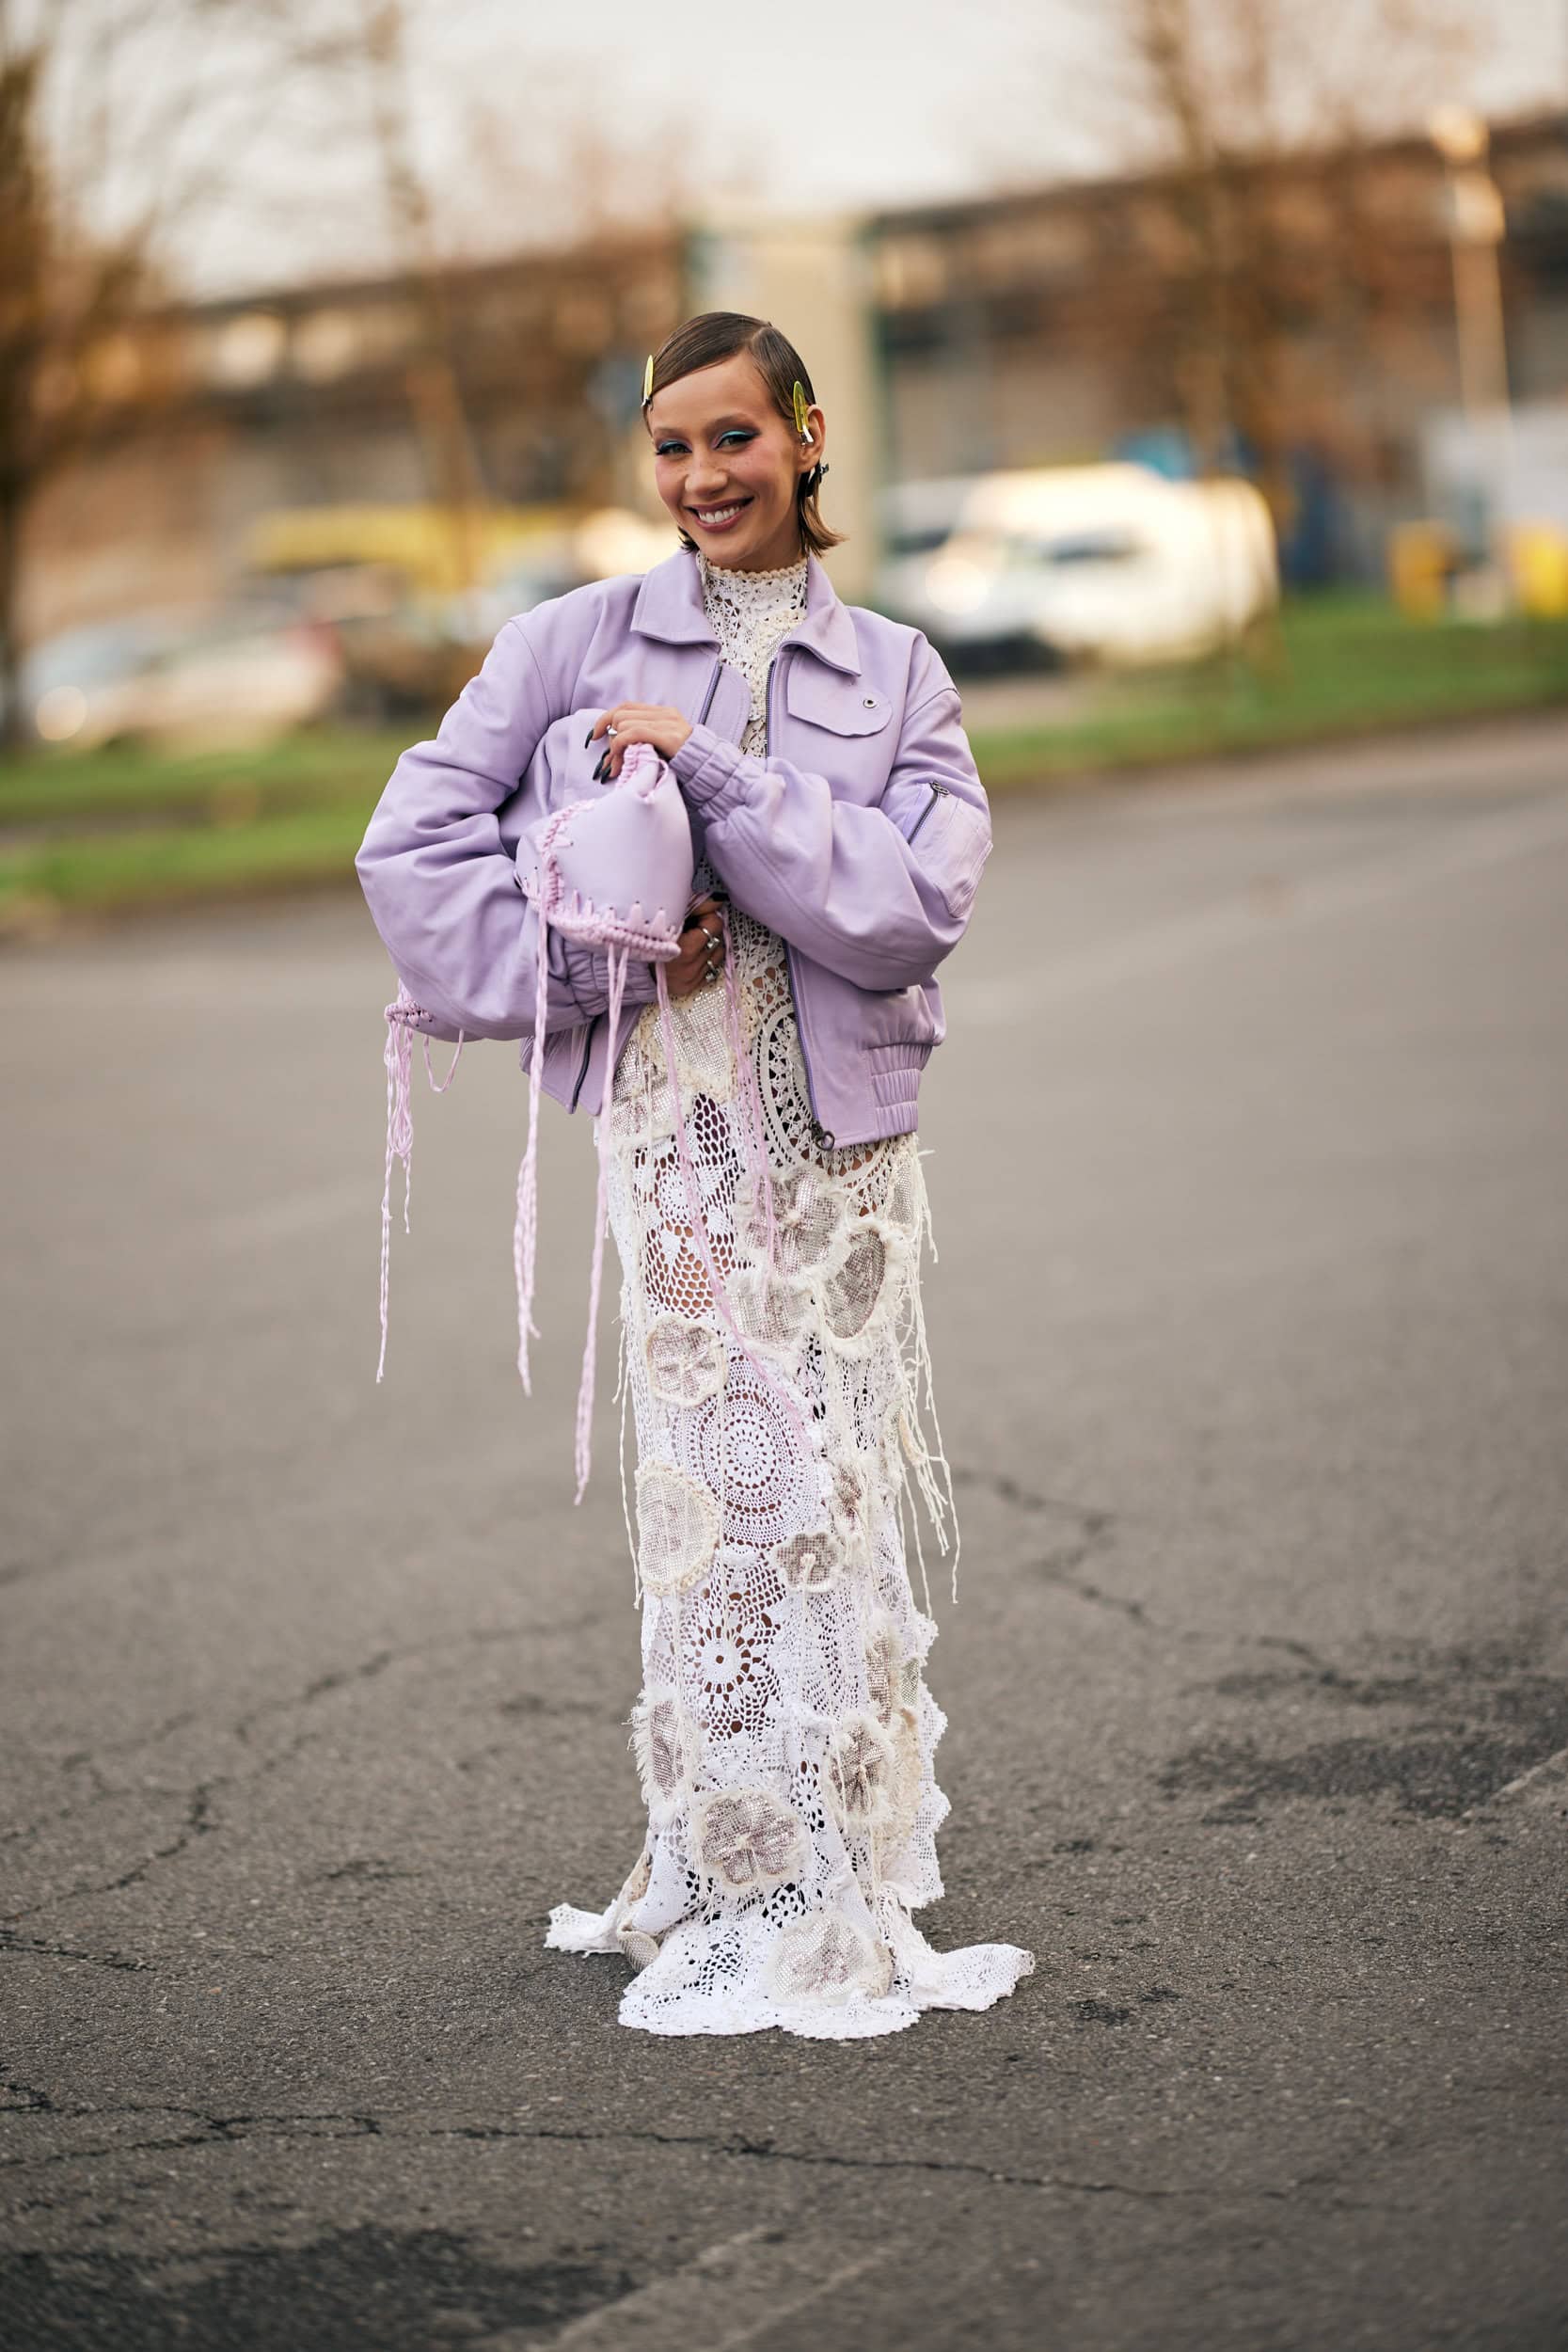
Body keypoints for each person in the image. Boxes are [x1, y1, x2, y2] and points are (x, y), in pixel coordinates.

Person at [356, 310, 1035, 2039]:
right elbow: (410, 844)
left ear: (808, 437)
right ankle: (752, 1859)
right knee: (736, 1500)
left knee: (830, 1498)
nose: (699, 477)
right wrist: (592, 967)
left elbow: (897, 915)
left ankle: (834, 1852)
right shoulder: (566, 641)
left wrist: (714, 769)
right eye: (669, 447)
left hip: (839, 1173)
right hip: (677, 1144)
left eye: (733, 439)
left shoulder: (899, 676)